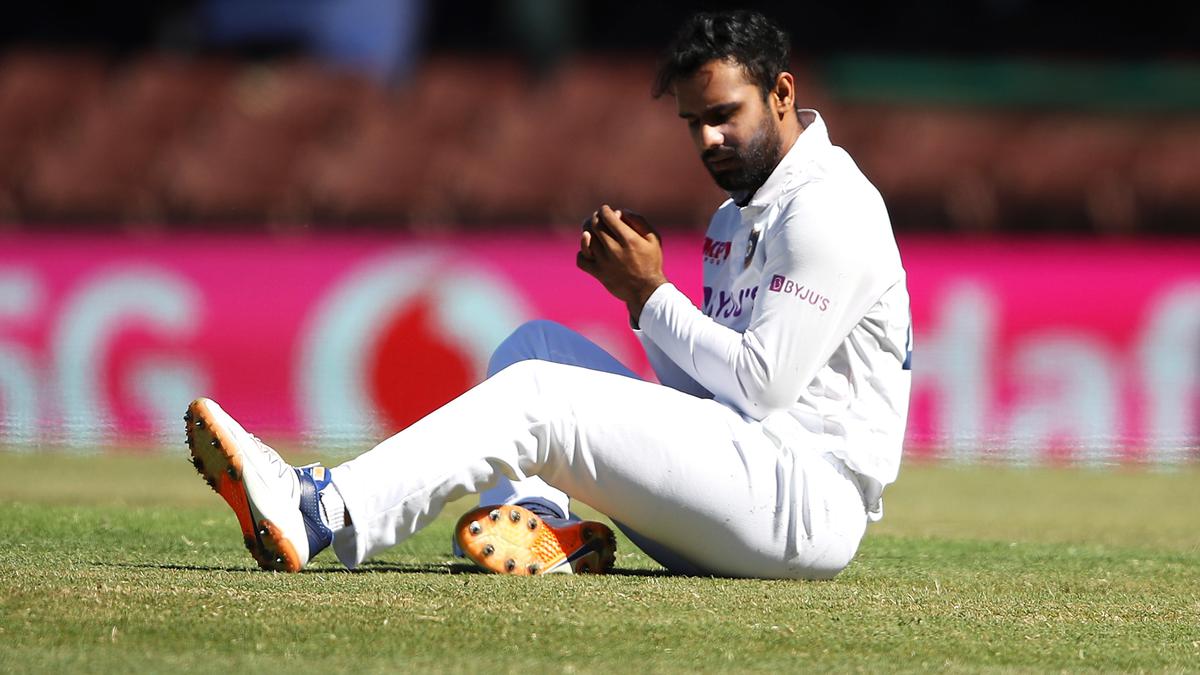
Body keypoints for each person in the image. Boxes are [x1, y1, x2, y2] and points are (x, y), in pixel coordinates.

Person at [186, 9, 912, 579]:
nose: (709, 140)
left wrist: (651, 294)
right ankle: (539, 521)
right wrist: (641, 302)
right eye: (694, 122)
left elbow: (763, 385)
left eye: (726, 114)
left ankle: (321, 509)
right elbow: (712, 400)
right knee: (532, 345)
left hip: (806, 506)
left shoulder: (828, 208)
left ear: (782, 92)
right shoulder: (737, 215)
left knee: (539, 391)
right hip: (747, 488)